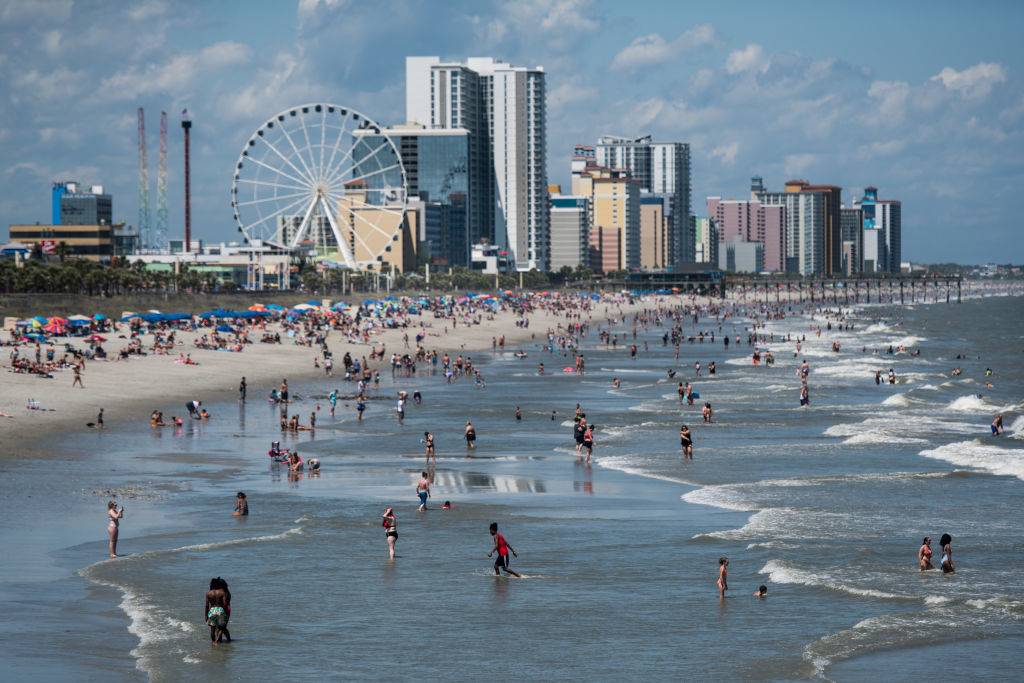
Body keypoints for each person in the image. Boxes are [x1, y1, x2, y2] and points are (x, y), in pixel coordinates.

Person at [204, 577, 231, 644]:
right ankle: (218, 641)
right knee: (222, 627)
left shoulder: (208, 593)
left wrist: (206, 616)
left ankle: (213, 642)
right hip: (220, 610)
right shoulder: (222, 592)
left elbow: (207, 606)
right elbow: (225, 604)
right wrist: (226, 612)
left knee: (212, 629)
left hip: (212, 610)